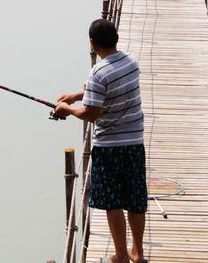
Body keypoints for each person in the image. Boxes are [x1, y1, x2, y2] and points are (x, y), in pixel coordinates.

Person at [55, 19, 146, 263]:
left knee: (113, 201)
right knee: (136, 199)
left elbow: (91, 114)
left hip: (109, 147)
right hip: (135, 141)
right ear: (115, 38)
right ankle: (138, 252)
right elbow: (108, 88)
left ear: (92, 44)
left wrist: (67, 109)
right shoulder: (130, 63)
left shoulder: (98, 73)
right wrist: (76, 96)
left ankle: (121, 256)